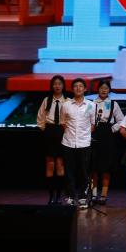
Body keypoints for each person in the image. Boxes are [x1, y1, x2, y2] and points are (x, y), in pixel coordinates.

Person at [61, 78, 95, 209]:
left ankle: (82, 197)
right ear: (72, 89)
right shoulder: (66, 105)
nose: (78, 88)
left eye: (81, 86)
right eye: (75, 86)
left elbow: (93, 124)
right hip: (68, 142)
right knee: (69, 171)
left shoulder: (91, 105)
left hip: (84, 143)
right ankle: (70, 196)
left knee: (84, 171)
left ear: (85, 89)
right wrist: (71, 134)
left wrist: (84, 135)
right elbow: (63, 123)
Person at [36, 75, 68, 205]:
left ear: (63, 86)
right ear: (52, 86)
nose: (57, 86)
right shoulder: (47, 100)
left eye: (59, 83)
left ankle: (59, 197)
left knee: (60, 164)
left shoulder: (67, 101)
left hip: (62, 132)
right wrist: (46, 130)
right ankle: (51, 196)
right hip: (49, 132)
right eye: (55, 84)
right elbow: (40, 118)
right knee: (50, 164)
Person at [89, 80, 122, 206]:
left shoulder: (114, 104)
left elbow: (121, 121)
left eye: (106, 88)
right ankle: (93, 194)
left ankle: (103, 195)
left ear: (109, 90)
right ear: (98, 89)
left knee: (106, 167)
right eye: (101, 88)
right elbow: (85, 118)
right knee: (93, 167)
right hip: (94, 134)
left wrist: (112, 129)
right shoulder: (91, 103)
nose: (103, 90)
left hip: (108, 136)